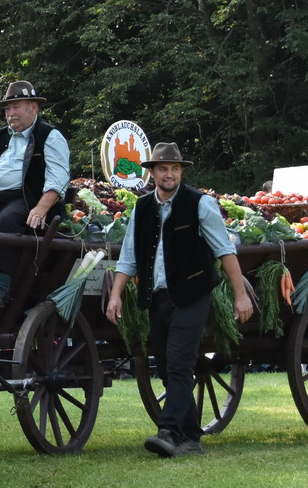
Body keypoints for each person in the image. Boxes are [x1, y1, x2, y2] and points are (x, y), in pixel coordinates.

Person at [105, 143, 253, 457]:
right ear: (152, 172)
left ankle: (168, 431)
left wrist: (241, 295)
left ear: (181, 171)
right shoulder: (142, 208)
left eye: (174, 169)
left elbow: (224, 251)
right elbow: (129, 257)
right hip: (156, 296)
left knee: (180, 365)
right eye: (162, 169)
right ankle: (191, 439)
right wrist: (116, 295)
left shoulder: (200, 204)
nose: (169, 174)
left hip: (191, 295)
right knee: (167, 364)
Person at [0, 81, 64, 307]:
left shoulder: (50, 135)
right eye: (8, 109)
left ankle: (1, 286)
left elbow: (58, 179)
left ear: (33, 108)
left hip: (28, 199)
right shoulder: (0, 136)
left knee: (7, 219)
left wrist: (40, 209)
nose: (10, 113)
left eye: (16, 107)